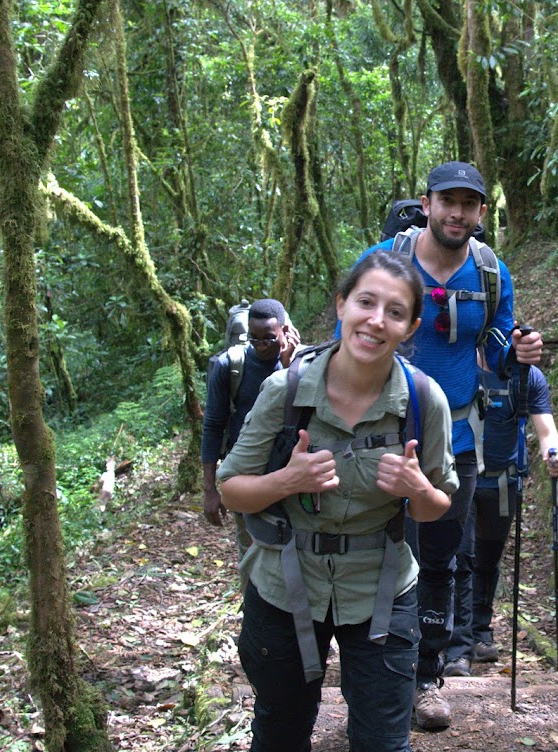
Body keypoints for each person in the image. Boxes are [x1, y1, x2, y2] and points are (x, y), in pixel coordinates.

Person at [217, 252, 458, 752]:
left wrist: (418, 490)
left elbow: (438, 506)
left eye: (395, 311)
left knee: (382, 741)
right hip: (285, 585)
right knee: (280, 732)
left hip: (383, 590)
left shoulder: (423, 399)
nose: (376, 320)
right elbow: (231, 488)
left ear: (410, 327)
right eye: (365, 302)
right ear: (342, 306)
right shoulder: (284, 392)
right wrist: (286, 480)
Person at [341, 161, 543, 729]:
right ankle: (376, 671)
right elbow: (347, 340)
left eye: (469, 204)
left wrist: (519, 353)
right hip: (384, 432)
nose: (457, 213)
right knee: (376, 554)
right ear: (426, 204)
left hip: (457, 438)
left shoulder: (489, 272)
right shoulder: (385, 262)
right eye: (447, 201)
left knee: (441, 558)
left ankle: (428, 674)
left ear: (481, 213)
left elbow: (498, 349)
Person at [444, 362, 558, 675]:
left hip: (503, 484)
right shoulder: (457, 365)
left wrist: (554, 453)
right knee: (461, 558)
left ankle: (481, 632)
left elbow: (546, 429)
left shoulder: (527, 376)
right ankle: (457, 647)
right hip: (461, 478)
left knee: (488, 559)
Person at [201, 298, 300, 556]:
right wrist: (210, 490)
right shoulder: (229, 366)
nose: (260, 347)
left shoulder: (303, 364)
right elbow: (213, 425)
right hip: (246, 474)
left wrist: (291, 366)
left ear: (285, 331)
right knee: (252, 550)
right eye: (253, 339)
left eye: (268, 339)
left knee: (295, 550)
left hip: (292, 473)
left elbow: (307, 413)